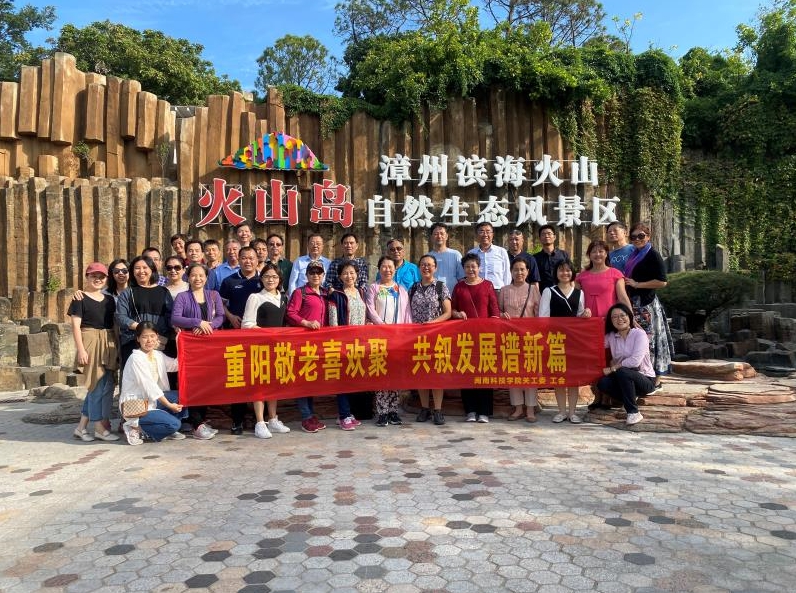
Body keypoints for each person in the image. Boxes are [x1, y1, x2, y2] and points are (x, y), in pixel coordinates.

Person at [171, 263, 224, 440]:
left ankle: (202, 420)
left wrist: (209, 326)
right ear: (188, 277)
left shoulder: (214, 295)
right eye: (194, 275)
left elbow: (220, 316)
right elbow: (175, 318)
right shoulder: (182, 297)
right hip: (191, 348)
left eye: (201, 275)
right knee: (192, 383)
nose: (197, 278)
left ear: (206, 278)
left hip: (209, 347)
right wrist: (197, 322)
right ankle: (196, 424)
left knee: (206, 383)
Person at [240, 263, 291, 439]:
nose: (271, 280)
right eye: (267, 276)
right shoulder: (255, 297)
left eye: (274, 277)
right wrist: (267, 334)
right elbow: (247, 324)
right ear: (261, 279)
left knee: (274, 384)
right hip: (259, 347)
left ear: (279, 280)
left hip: (277, 348)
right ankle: (260, 422)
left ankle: (273, 419)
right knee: (260, 384)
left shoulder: (283, 297)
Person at [70, 262, 119, 442]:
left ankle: (81, 427)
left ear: (106, 279)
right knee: (96, 384)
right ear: (87, 277)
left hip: (108, 341)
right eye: (94, 276)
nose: (98, 279)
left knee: (101, 384)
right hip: (90, 341)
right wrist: (81, 349)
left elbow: (113, 324)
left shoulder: (109, 300)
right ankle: (98, 427)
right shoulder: (80, 298)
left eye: (101, 277)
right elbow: (75, 326)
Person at [539, 260, 590, 424]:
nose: (565, 273)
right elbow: (543, 317)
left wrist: (586, 314)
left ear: (572, 273)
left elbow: (580, 315)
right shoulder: (549, 291)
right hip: (555, 340)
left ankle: (572, 412)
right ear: (556, 273)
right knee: (559, 377)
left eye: (568, 270)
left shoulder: (579, 293)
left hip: (574, 341)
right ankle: (561, 411)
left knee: (573, 377)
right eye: (561, 270)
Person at [119, 322, 187, 445]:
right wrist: (169, 405)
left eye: (152, 336)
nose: (149, 340)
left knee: (183, 396)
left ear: (157, 337)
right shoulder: (136, 358)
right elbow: (150, 387)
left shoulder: (157, 355)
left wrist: (179, 340)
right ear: (138, 339)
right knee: (174, 425)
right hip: (136, 405)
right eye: (144, 337)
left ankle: (164, 428)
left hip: (151, 400)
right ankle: (134, 427)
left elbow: (175, 365)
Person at [451, 253, 500, 423]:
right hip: (465, 337)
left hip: (485, 337)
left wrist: (494, 331)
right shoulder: (459, 287)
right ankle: (470, 410)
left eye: (473, 266)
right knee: (467, 371)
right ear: (463, 269)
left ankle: (484, 411)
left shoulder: (488, 285)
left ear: (479, 267)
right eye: (467, 267)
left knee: (485, 372)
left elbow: (494, 310)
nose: (470, 269)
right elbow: (452, 309)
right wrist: (458, 314)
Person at [623, 223, 674, 388]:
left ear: (648, 237)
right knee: (638, 341)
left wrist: (637, 284)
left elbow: (662, 282)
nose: (637, 239)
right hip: (634, 303)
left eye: (641, 236)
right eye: (634, 237)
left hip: (647, 305)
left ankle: (654, 379)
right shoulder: (634, 254)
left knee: (650, 341)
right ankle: (641, 377)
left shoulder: (653, 255)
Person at [219, 246, 263, 435]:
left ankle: (259, 419)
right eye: (244, 258)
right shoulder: (229, 281)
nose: (248, 261)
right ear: (239, 259)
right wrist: (230, 316)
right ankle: (237, 420)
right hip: (236, 336)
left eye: (251, 258)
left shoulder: (264, 279)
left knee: (259, 377)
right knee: (238, 377)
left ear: (257, 260)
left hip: (259, 337)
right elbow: (220, 304)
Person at [366, 256, 412, 426]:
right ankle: (382, 411)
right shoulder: (374, 288)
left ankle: (393, 410)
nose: (387, 270)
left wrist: (407, 333)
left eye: (390, 267)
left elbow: (407, 312)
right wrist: (383, 326)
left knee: (395, 372)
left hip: (398, 338)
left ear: (395, 269)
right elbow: (370, 309)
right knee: (381, 371)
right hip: (380, 336)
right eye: (384, 267)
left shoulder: (401, 289)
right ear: (379, 269)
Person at [286, 260, 329, 433]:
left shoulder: (325, 293)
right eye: (312, 272)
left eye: (319, 272)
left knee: (312, 379)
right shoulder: (300, 292)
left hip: (320, 343)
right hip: (303, 342)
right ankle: (305, 417)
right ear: (307, 275)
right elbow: (290, 313)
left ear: (323, 275)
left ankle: (311, 415)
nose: (315, 275)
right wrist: (306, 323)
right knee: (303, 379)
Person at [596, 303, 656, 426]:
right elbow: (594, 345)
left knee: (622, 371)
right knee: (603, 383)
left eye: (622, 315)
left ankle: (633, 412)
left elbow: (635, 361)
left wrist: (613, 367)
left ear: (629, 317)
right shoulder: (611, 336)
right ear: (611, 321)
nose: (619, 319)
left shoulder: (639, 334)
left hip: (645, 379)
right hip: (623, 379)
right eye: (614, 317)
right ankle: (631, 396)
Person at [408, 254, 452, 426]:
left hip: (437, 336)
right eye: (423, 264)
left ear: (435, 268)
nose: (426, 267)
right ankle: (424, 408)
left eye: (430, 265)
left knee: (437, 372)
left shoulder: (441, 287)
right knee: (421, 371)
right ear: (419, 267)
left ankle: (438, 410)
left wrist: (432, 323)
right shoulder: (413, 288)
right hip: (417, 338)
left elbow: (448, 312)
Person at [326, 261, 368, 431]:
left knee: (352, 379)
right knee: (343, 380)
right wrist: (338, 343)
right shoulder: (336, 295)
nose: (349, 276)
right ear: (339, 276)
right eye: (345, 273)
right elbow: (333, 322)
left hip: (359, 343)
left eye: (352, 272)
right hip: (344, 343)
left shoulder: (361, 292)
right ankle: (343, 415)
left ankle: (348, 413)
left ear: (357, 275)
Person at [499, 258, 541, 422]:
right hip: (510, 337)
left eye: (522, 269)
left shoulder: (533, 289)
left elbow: (539, 314)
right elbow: (498, 311)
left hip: (530, 337)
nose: (519, 272)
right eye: (516, 269)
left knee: (530, 372)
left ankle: (530, 409)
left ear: (528, 272)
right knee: (513, 372)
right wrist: (502, 315)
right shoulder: (504, 290)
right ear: (511, 271)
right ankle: (517, 408)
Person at [116, 255, 173, 368]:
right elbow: (120, 317)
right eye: (137, 268)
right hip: (134, 341)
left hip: (158, 342)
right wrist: (143, 329)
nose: (141, 271)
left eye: (145, 267)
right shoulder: (128, 292)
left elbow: (170, 316)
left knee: (158, 375)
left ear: (152, 269)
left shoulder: (164, 291)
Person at [575, 240, 632, 318]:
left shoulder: (616, 274)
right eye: (594, 252)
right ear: (589, 255)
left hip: (609, 319)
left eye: (601, 251)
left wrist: (631, 317)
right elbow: (575, 300)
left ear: (606, 254)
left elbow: (623, 298)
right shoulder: (581, 276)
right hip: (586, 319)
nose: (597, 254)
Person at [467, 221, 511, 291]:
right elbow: (468, 273)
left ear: (492, 234)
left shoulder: (501, 251)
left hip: (498, 290)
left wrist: (506, 290)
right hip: (478, 290)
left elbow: (507, 274)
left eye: (488, 231)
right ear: (477, 235)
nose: (485, 234)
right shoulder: (471, 253)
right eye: (481, 231)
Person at [427, 222, 463, 293]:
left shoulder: (455, 254)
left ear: (446, 236)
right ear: (431, 237)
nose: (439, 236)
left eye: (442, 233)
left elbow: (462, 277)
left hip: (452, 294)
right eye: (436, 234)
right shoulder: (428, 257)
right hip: (432, 295)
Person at [533, 224, 570, 292]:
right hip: (543, 293)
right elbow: (534, 279)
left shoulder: (564, 255)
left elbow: (570, 273)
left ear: (554, 237)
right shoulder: (535, 258)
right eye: (543, 234)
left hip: (562, 292)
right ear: (540, 238)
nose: (546, 236)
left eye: (549, 233)